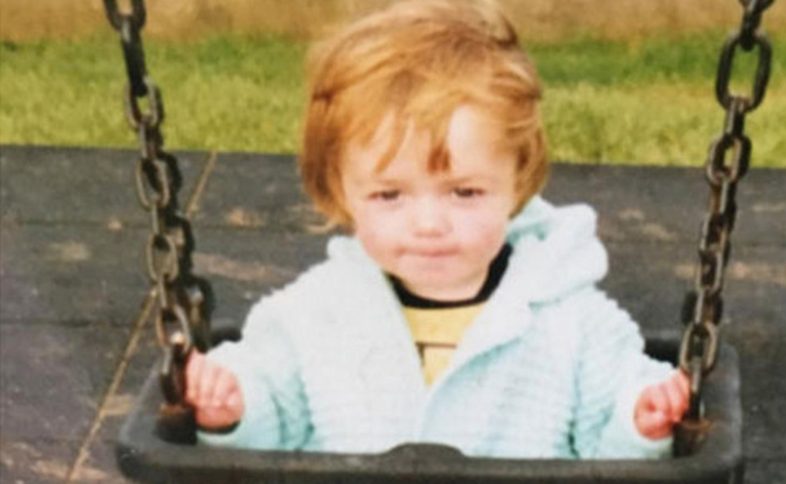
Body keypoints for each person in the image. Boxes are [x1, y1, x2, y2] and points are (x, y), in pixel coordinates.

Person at [184, 0, 690, 459]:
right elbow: (270, 415)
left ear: (517, 181)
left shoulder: (570, 317)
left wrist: (641, 419)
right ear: (342, 191)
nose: (429, 224)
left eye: (465, 193)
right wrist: (232, 408)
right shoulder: (313, 313)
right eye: (389, 195)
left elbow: (614, 424)